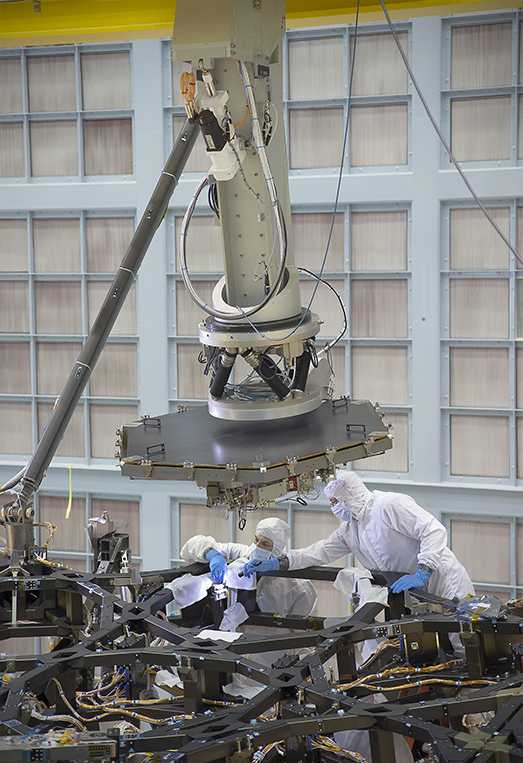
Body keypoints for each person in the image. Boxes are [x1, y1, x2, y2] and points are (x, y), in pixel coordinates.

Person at [242, 472, 474, 605]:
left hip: (444, 582)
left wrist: (423, 572)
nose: (333, 507)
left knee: (461, 639)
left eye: (335, 501)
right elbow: (320, 551)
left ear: (349, 495)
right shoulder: (351, 530)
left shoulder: (388, 505)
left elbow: (433, 530)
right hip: (413, 594)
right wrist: (278, 562)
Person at [180, 516, 318, 620]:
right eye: (256, 539)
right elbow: (192, 545)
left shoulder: (298, 586)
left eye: (265, 544)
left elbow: (305, 631)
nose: (257, 546)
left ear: (277, 549)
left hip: (272, 648)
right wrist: (212, 554)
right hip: (234, 642)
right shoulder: (245, 553)